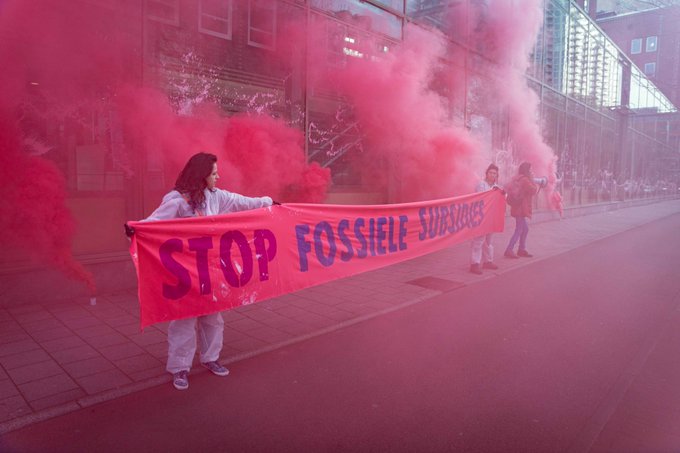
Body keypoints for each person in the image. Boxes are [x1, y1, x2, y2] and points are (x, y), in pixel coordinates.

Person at [140, 152, 273, 390]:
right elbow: (154, 222)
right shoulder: (177, 200)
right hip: (184, 272)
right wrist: (136, 229)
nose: (218, 177)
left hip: (210, 271)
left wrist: (268, 202)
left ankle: (211, 358)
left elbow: (243, 201)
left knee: (213, 318)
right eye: (213, 173)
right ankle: (180, 368)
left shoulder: (216, 197)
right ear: (202, 176)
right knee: (184, 320)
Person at [469, 164, 500, 275]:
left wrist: (502, 194)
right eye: (490, 172)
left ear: (497, 175)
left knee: (488, 241)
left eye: (494, 173)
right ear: (486, 173)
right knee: (478, 240)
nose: (492, 175)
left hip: (491, 218)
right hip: (481, 216)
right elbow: (481, 198)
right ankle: (475, 264)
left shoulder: (497, 187)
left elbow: (502, 199)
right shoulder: (481, 185)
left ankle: (488, 261)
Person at [504, 162, 539, 259]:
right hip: (521, 209)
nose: (532, 171)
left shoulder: (517, 178)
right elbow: (533, 190)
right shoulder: (525, 180)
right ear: (526, 170)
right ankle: (509, 249)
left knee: (525, 229)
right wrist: (532, 179)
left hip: (517, 207)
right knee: (519, 230)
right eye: (530, 170)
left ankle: (521, 249)